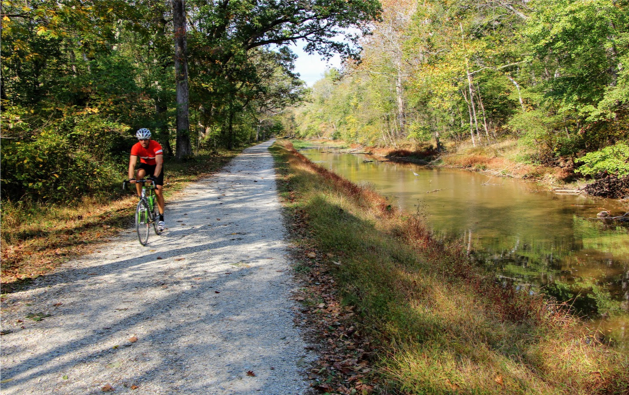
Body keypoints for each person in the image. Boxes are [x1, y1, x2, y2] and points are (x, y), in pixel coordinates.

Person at [128, 128, 165, 231]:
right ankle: (141, 198)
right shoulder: (136, 147)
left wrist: (154, 177)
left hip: (156, 166)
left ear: (149, 139)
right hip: (145, 164)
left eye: (145, 139)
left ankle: (161, 217)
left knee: (158, 190)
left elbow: (159, 164)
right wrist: (131, 178)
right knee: (139, 175)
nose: (143, 142)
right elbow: (132, 164)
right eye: (141, 139)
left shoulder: (156, 145)